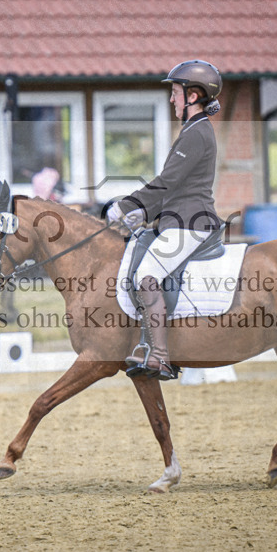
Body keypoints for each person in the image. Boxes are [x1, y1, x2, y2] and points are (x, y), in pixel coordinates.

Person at [106, 60, 222, 381]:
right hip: (178, 218)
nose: (172, 99)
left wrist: (125, 204)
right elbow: (176, 188)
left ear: (194, 95)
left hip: (190, 224)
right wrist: (144, 213)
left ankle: (160, 355)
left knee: (146, 276)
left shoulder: (197, 133)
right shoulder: (191, 131)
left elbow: (167, 181)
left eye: (175, 93)